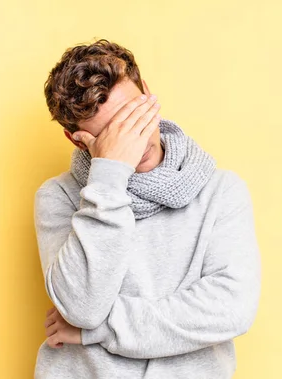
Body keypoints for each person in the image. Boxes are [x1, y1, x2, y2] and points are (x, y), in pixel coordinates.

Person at [33, 39, 261, 379]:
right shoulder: (59, 197)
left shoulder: (220, 191)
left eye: (134, 117)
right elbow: (82, 306)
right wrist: (109, 177)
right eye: (111, 133)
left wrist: (97, 329)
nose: (135, 140)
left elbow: (231, 309)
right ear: (78, 139)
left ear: (148, 94)